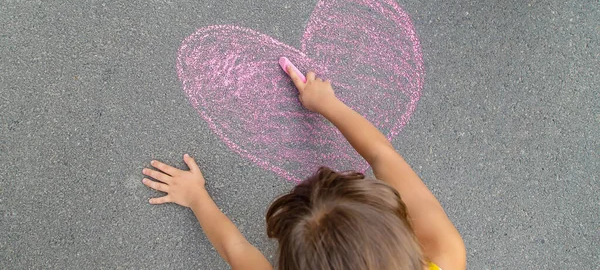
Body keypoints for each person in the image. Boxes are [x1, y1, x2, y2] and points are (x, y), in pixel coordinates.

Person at [142, 65, 466, 270]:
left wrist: (196, 196)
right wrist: (327, 104)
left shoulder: (446, 253)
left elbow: (236, 249)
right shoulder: (445, 253)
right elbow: (382, 155)